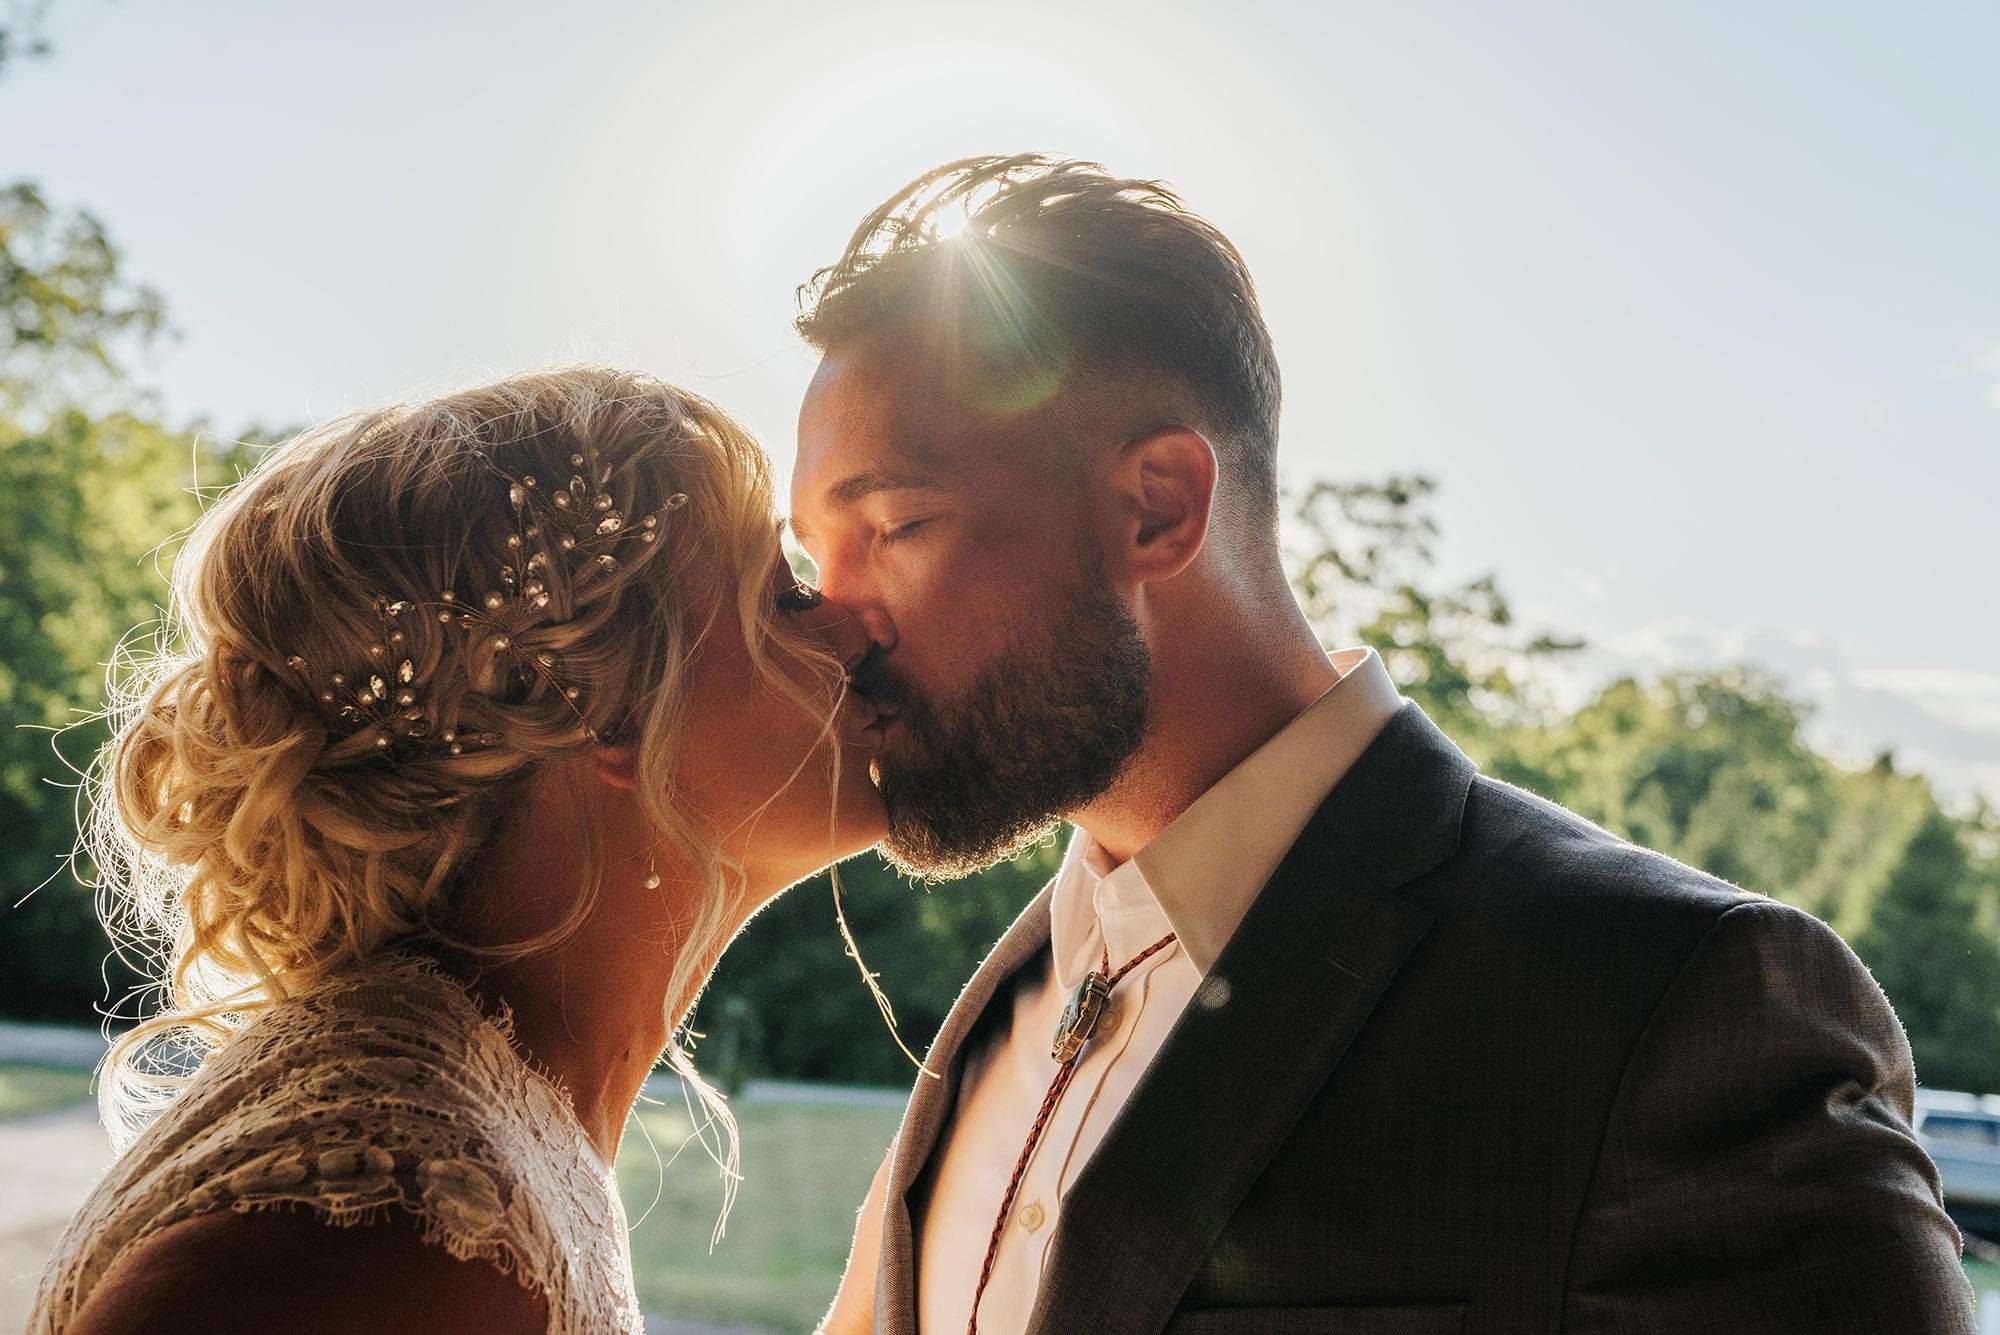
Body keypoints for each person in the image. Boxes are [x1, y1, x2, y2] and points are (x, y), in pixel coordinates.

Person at [792, 156, 1977, 1334]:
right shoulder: (1007, 1004)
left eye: (893, 525)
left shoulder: (1667, 1007)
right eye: (810, 556)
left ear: (1155, 506)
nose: (829, 630)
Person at [29, 369, 885, 1335]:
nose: (860, 622)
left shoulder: (480, 1127)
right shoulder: (385, 1226)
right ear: (597, 703)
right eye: (779, 594)